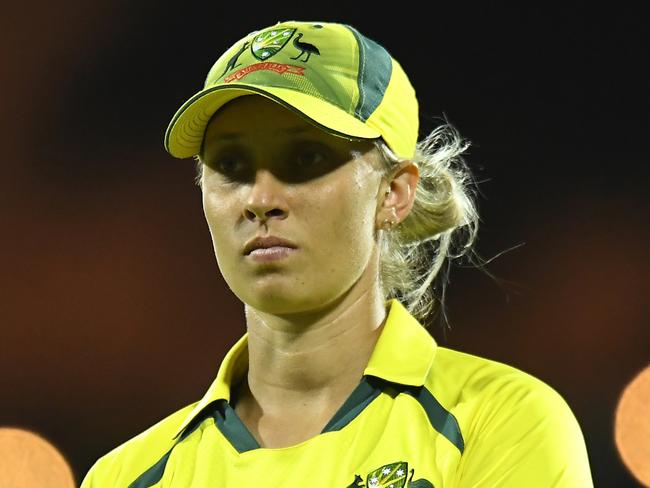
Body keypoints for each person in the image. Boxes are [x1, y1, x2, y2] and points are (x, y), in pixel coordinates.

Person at [80, 20, 594, 487]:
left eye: (305, 157)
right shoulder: (125, 477)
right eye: (231, 164)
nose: (260, 199)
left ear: (394, 193)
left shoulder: (502, 423)